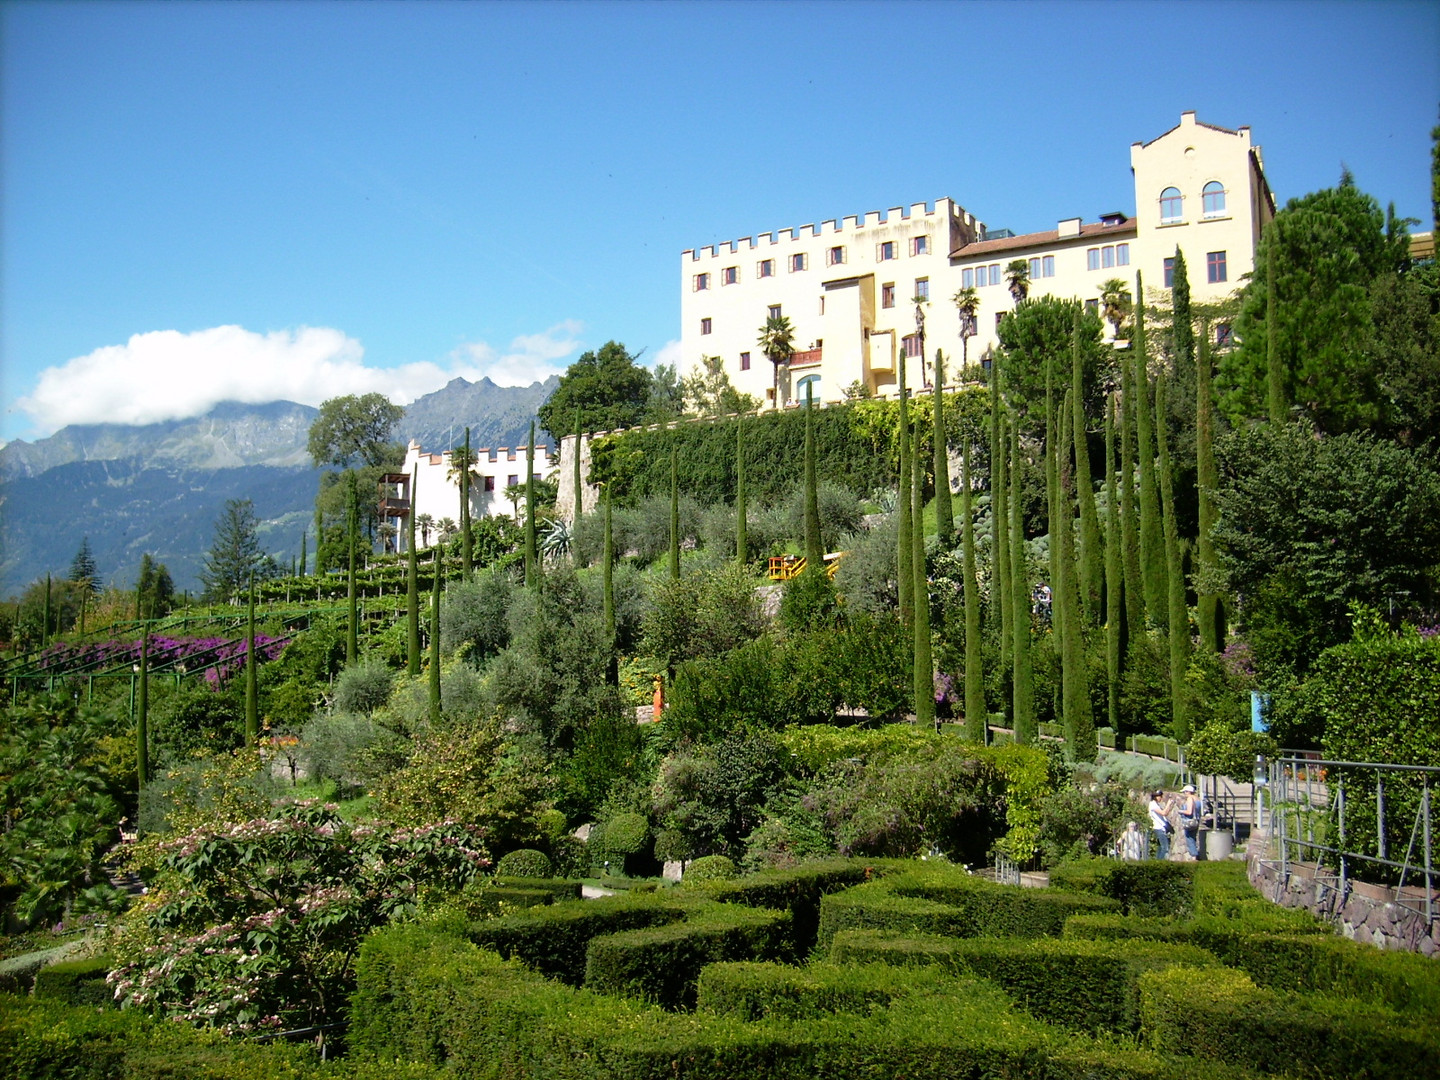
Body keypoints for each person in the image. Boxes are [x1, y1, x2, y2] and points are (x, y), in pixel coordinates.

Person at [1179, 784, 1202, 859]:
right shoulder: (1198, 799)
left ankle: (1194, 856)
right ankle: (1195, 855)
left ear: (1188, 792)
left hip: (1189, 821)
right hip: (1196, 820)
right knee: (1193, 837)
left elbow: (1189, 812)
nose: (1184, 794)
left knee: (1189, 838)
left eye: (1185, 792)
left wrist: (1181, 811)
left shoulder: (1190, 799)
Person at [1148, 789, 1173, 860]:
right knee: (1165, 848)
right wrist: (1168, 804)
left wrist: (1169, 806)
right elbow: (1163, 813)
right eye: (1159, 796)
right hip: (1158, 828)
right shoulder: (1153, 804)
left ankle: (1158, 861)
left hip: (1161, 828)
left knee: (1160, 847)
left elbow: (1165, 813)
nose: (1160, 798)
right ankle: (1160, 862)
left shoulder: (1156, 804)